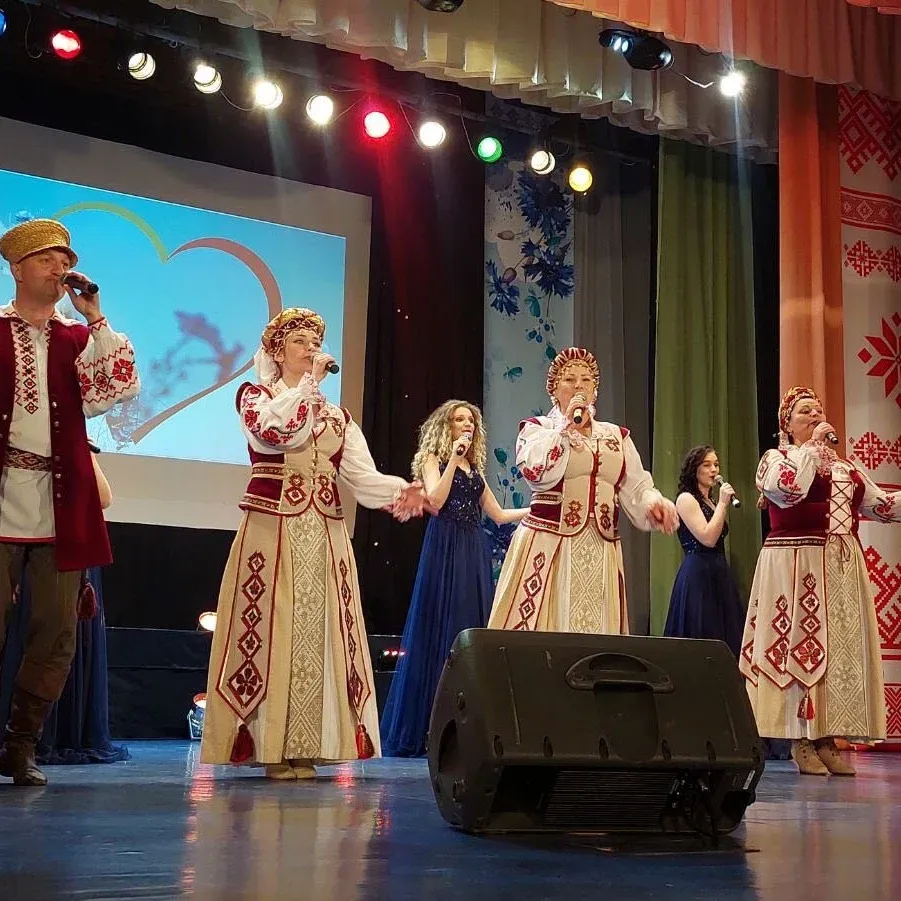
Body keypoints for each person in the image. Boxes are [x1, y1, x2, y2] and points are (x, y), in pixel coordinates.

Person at [200, 307, 433, 779]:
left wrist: (399, 491)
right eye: (299, 342)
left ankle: (306, 743)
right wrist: (308, 388)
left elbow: (361, 477)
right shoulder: (256, 397)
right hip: (272, 530)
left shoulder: (337, 418)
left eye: (315, 343)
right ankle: (269, 746)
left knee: (317, 633)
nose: (310, 350)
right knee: (273, 628)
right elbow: (274, 433)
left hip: (324, 533)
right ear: (277, 352)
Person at [0, 218, 140, 786]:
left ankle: (20, 746)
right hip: (3, 495)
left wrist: (95, 316)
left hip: (59, 504)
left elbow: (116, 389)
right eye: (47, 260)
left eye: (65, 262)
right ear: (17, 269)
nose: (60, 270)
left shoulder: (78, 338)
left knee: (57, 631)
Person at [739, 386, 901, 776]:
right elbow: (788, 489)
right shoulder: (776, 460)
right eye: (804, 411)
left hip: (838, 568)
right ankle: (799, 738)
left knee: (836, 653)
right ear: (787, 425)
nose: (814, 416)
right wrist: (811, 448)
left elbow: (882, 505)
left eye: (817, 410)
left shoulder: (845, 469)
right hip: (794, 565)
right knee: (799, 646)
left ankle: (826, 736)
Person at [488, 347, 678, 634]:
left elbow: (638, 486)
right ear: (553, 390)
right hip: (550, 545)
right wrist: (564, 428)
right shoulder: (539, 430)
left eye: (586, 380)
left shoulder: (616, 436)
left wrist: (654, 503)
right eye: (569, 379)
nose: (579, 386)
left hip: (600, 547)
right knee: (546, 628)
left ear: (595, 390)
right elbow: (535, 472)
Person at [380, 400, 528, 757]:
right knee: (442, 625)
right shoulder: (433, 460)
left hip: (472, 548)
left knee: (469, 623)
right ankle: (431, 727)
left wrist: (538, 509)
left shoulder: (475, 469)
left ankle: (466, 728)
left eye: (470, 421)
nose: (467, 425)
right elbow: (435, 500)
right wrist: (453, 461)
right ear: (446, 427)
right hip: (445, 548)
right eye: (459, 420)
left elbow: (499, 514)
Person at [0, 444, 128, 765]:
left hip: (58, 552)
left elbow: (103, 498)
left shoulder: (73, 439)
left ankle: (22, 744)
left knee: (53, 644)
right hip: (15, 547)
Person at [663, 445, 745, 654]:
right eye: (707, 465)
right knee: (701, 630)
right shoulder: (686, 499)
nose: (714, 470)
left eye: (716, 464)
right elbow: (707, 538)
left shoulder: (711, 501)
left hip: (718, 571)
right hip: (698, 573)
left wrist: (719, 504)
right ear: (694, 469)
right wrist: (723, 505)